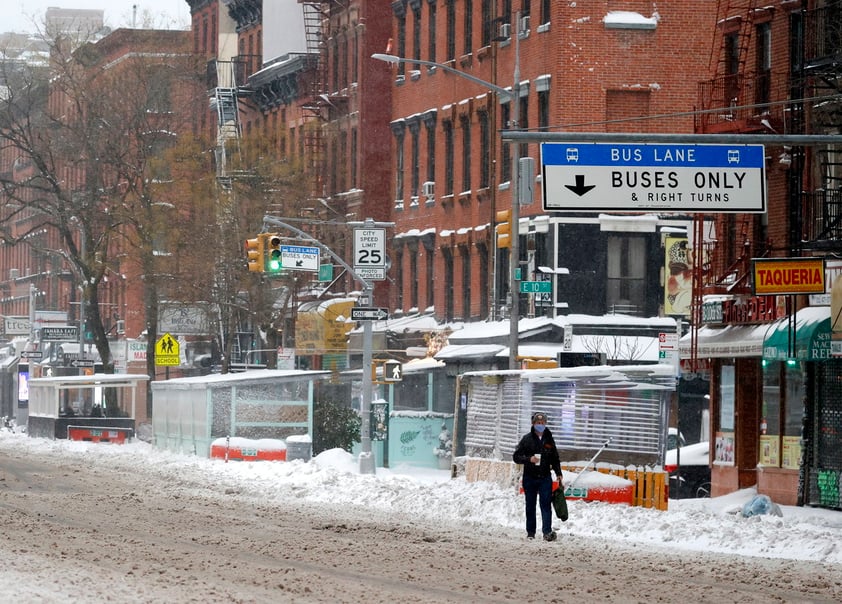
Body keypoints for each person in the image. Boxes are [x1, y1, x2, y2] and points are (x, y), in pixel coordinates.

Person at [512, 412, 563, 541]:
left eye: (542, 423)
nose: (540, 425)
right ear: (533, 424)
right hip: (530, 478)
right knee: (530, 505)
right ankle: (531, 532)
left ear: (545, 424)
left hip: (545, 477)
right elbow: (516, 457)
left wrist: (558, 473)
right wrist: (529, 459)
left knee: (545, 505)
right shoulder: (527, 439)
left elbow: (555, 458)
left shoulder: (549, 440)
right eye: (538, 423)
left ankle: (547, 532)